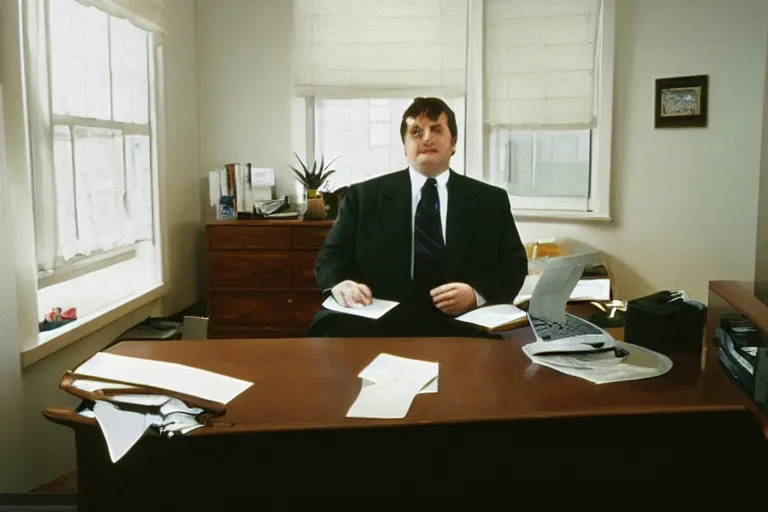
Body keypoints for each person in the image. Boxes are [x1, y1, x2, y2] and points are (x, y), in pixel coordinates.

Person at [308, 97, 528, 338]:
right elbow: (331, 258)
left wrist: (476, 294)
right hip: (378, 328)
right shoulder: (363, 197)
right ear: (404, 146)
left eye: (436, 129)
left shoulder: (490, 201)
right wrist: (341, 283)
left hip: (463, 328)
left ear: (453, 143)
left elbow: (514, 266)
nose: (426, 138)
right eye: (416, 132)